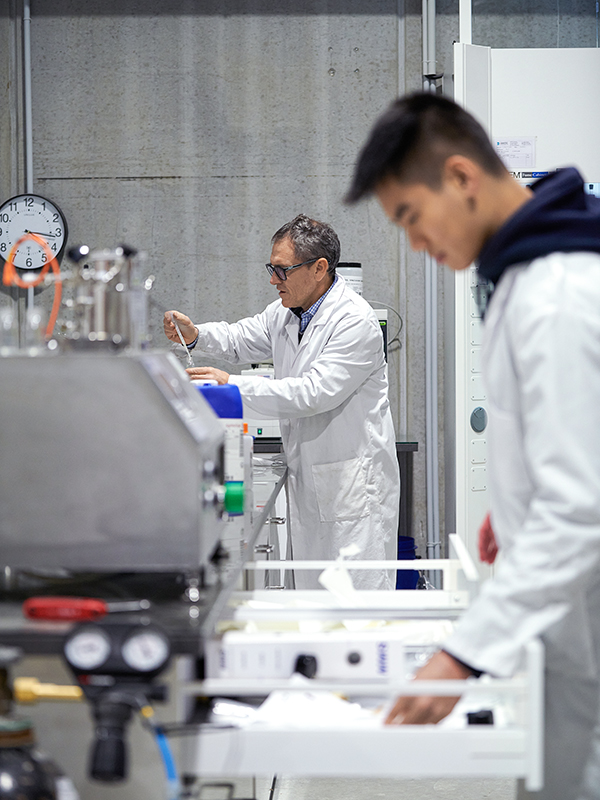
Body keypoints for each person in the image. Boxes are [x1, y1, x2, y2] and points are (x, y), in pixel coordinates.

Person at [346, 92, 600, 799]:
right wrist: (515, 506)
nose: (416, 244)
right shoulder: (527, 273)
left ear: (460, 178)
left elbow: (583, 509)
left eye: (409, 217)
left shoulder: (556, 292)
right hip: (569, 616)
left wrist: (461, 655)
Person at [164, 214, 400, 591]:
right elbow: (242, 338)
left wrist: (232, 386)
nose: (273, 280)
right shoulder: (288, 312)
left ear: (319, 268)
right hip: (311, 478)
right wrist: (196, 336)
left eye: (282, 270)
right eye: (271, 268)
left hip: (351, 488)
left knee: (356, 602)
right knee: (314, 599)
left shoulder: (355, 321)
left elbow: (313, 393)